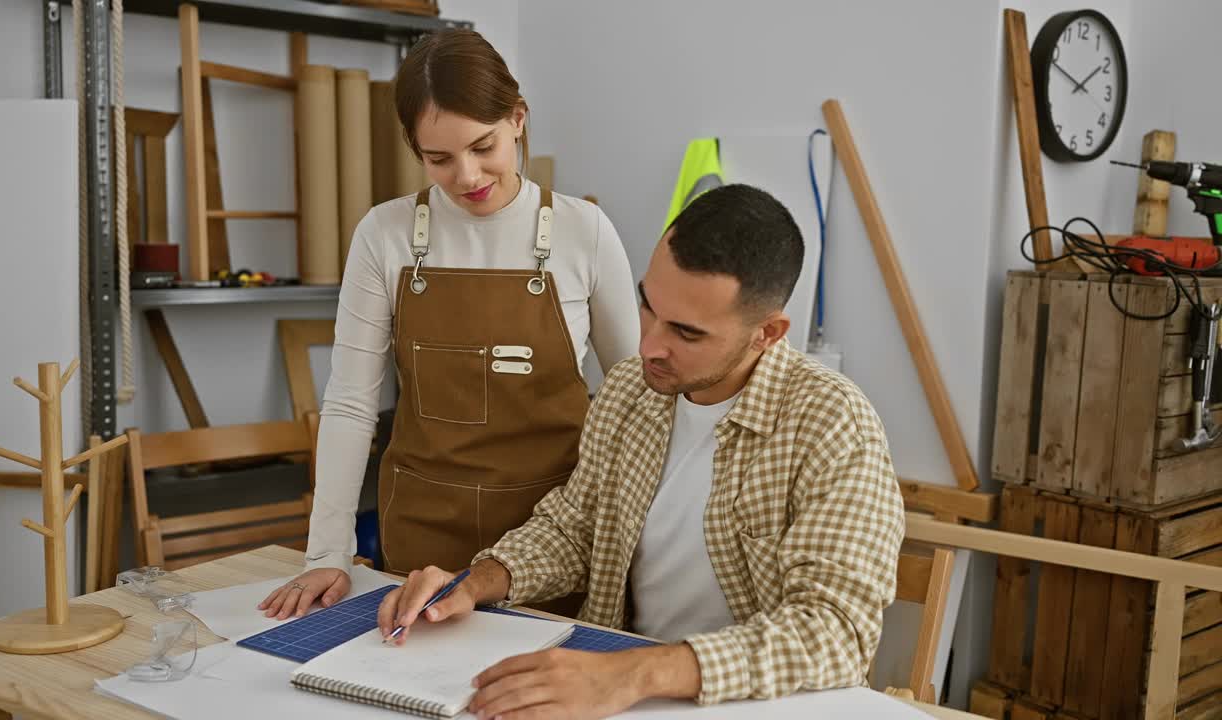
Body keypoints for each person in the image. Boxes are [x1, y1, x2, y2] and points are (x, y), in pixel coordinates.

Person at [377, 184, 906, 718]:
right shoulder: (632, 388)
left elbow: (834, 633)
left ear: (766, 333)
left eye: (686, 332)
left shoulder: (834, 424)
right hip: (625, 685)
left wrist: (634, 672)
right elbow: (574, 528)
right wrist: (475, 582)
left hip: (755, 702)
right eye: (649, 305)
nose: (649, 343)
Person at [259, 28, 639, 620]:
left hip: (551, 537)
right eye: (439, 159)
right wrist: (326, 552)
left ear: (517, 119)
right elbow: (351, 403)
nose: (467, 175)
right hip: (421, 530)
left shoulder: (583, 230)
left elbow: (636, 397)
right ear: (415, 149)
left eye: (483, 145)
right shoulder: (383, 235)